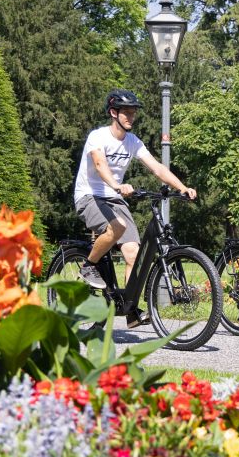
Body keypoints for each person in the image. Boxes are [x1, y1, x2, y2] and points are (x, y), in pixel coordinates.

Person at [73, 89, 196, 315]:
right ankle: (88, 267)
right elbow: (100, 165)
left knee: (133, 254)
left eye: (133, 113)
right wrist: (117, 185)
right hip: (89, 195)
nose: (130, 117)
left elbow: (157, 168)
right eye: (126, 113)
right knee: (116, 227)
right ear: (113, 113)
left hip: (113, 199)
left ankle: (129, 310)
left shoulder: (133, 142)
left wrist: (182, 188)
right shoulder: (98, 137)